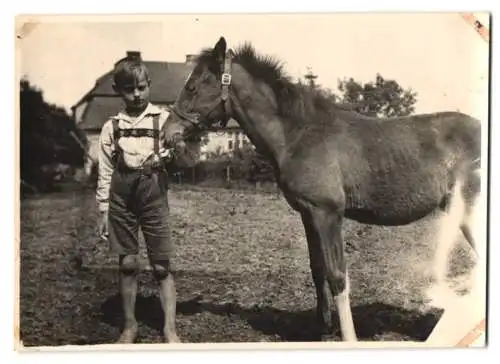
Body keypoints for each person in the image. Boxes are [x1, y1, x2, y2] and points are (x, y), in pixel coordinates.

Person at [96, 52, 189, 344]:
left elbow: (183, 154)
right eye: (129, 89)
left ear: (149, 85)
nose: (136, 95)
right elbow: (106, 170)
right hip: (121, 199)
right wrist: (102, 210)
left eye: (141, 87)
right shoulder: (112, 126)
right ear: (118, 91)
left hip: (153, 196)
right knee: (127, 263)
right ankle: (129, 326)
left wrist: (175, 149)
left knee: (162, 265)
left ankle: (170, 329)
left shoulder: (164, 119)